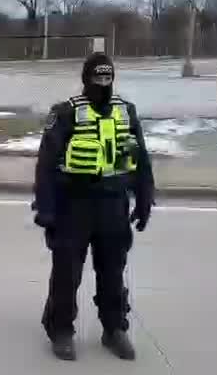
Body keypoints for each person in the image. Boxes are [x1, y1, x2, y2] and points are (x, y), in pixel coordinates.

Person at [33, 53, 154, 362]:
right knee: (67, 272)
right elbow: (46, 163)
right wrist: (45, 208)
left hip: (114, 204)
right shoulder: (66, 112)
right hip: (74, 204)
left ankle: (114, 328)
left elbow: (140, 158)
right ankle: (60, 329)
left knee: (113, 271)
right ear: (86, 79)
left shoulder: (126, 112)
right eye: (97, 78)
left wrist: (144, 198)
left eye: (107, 77)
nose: (102, 83)